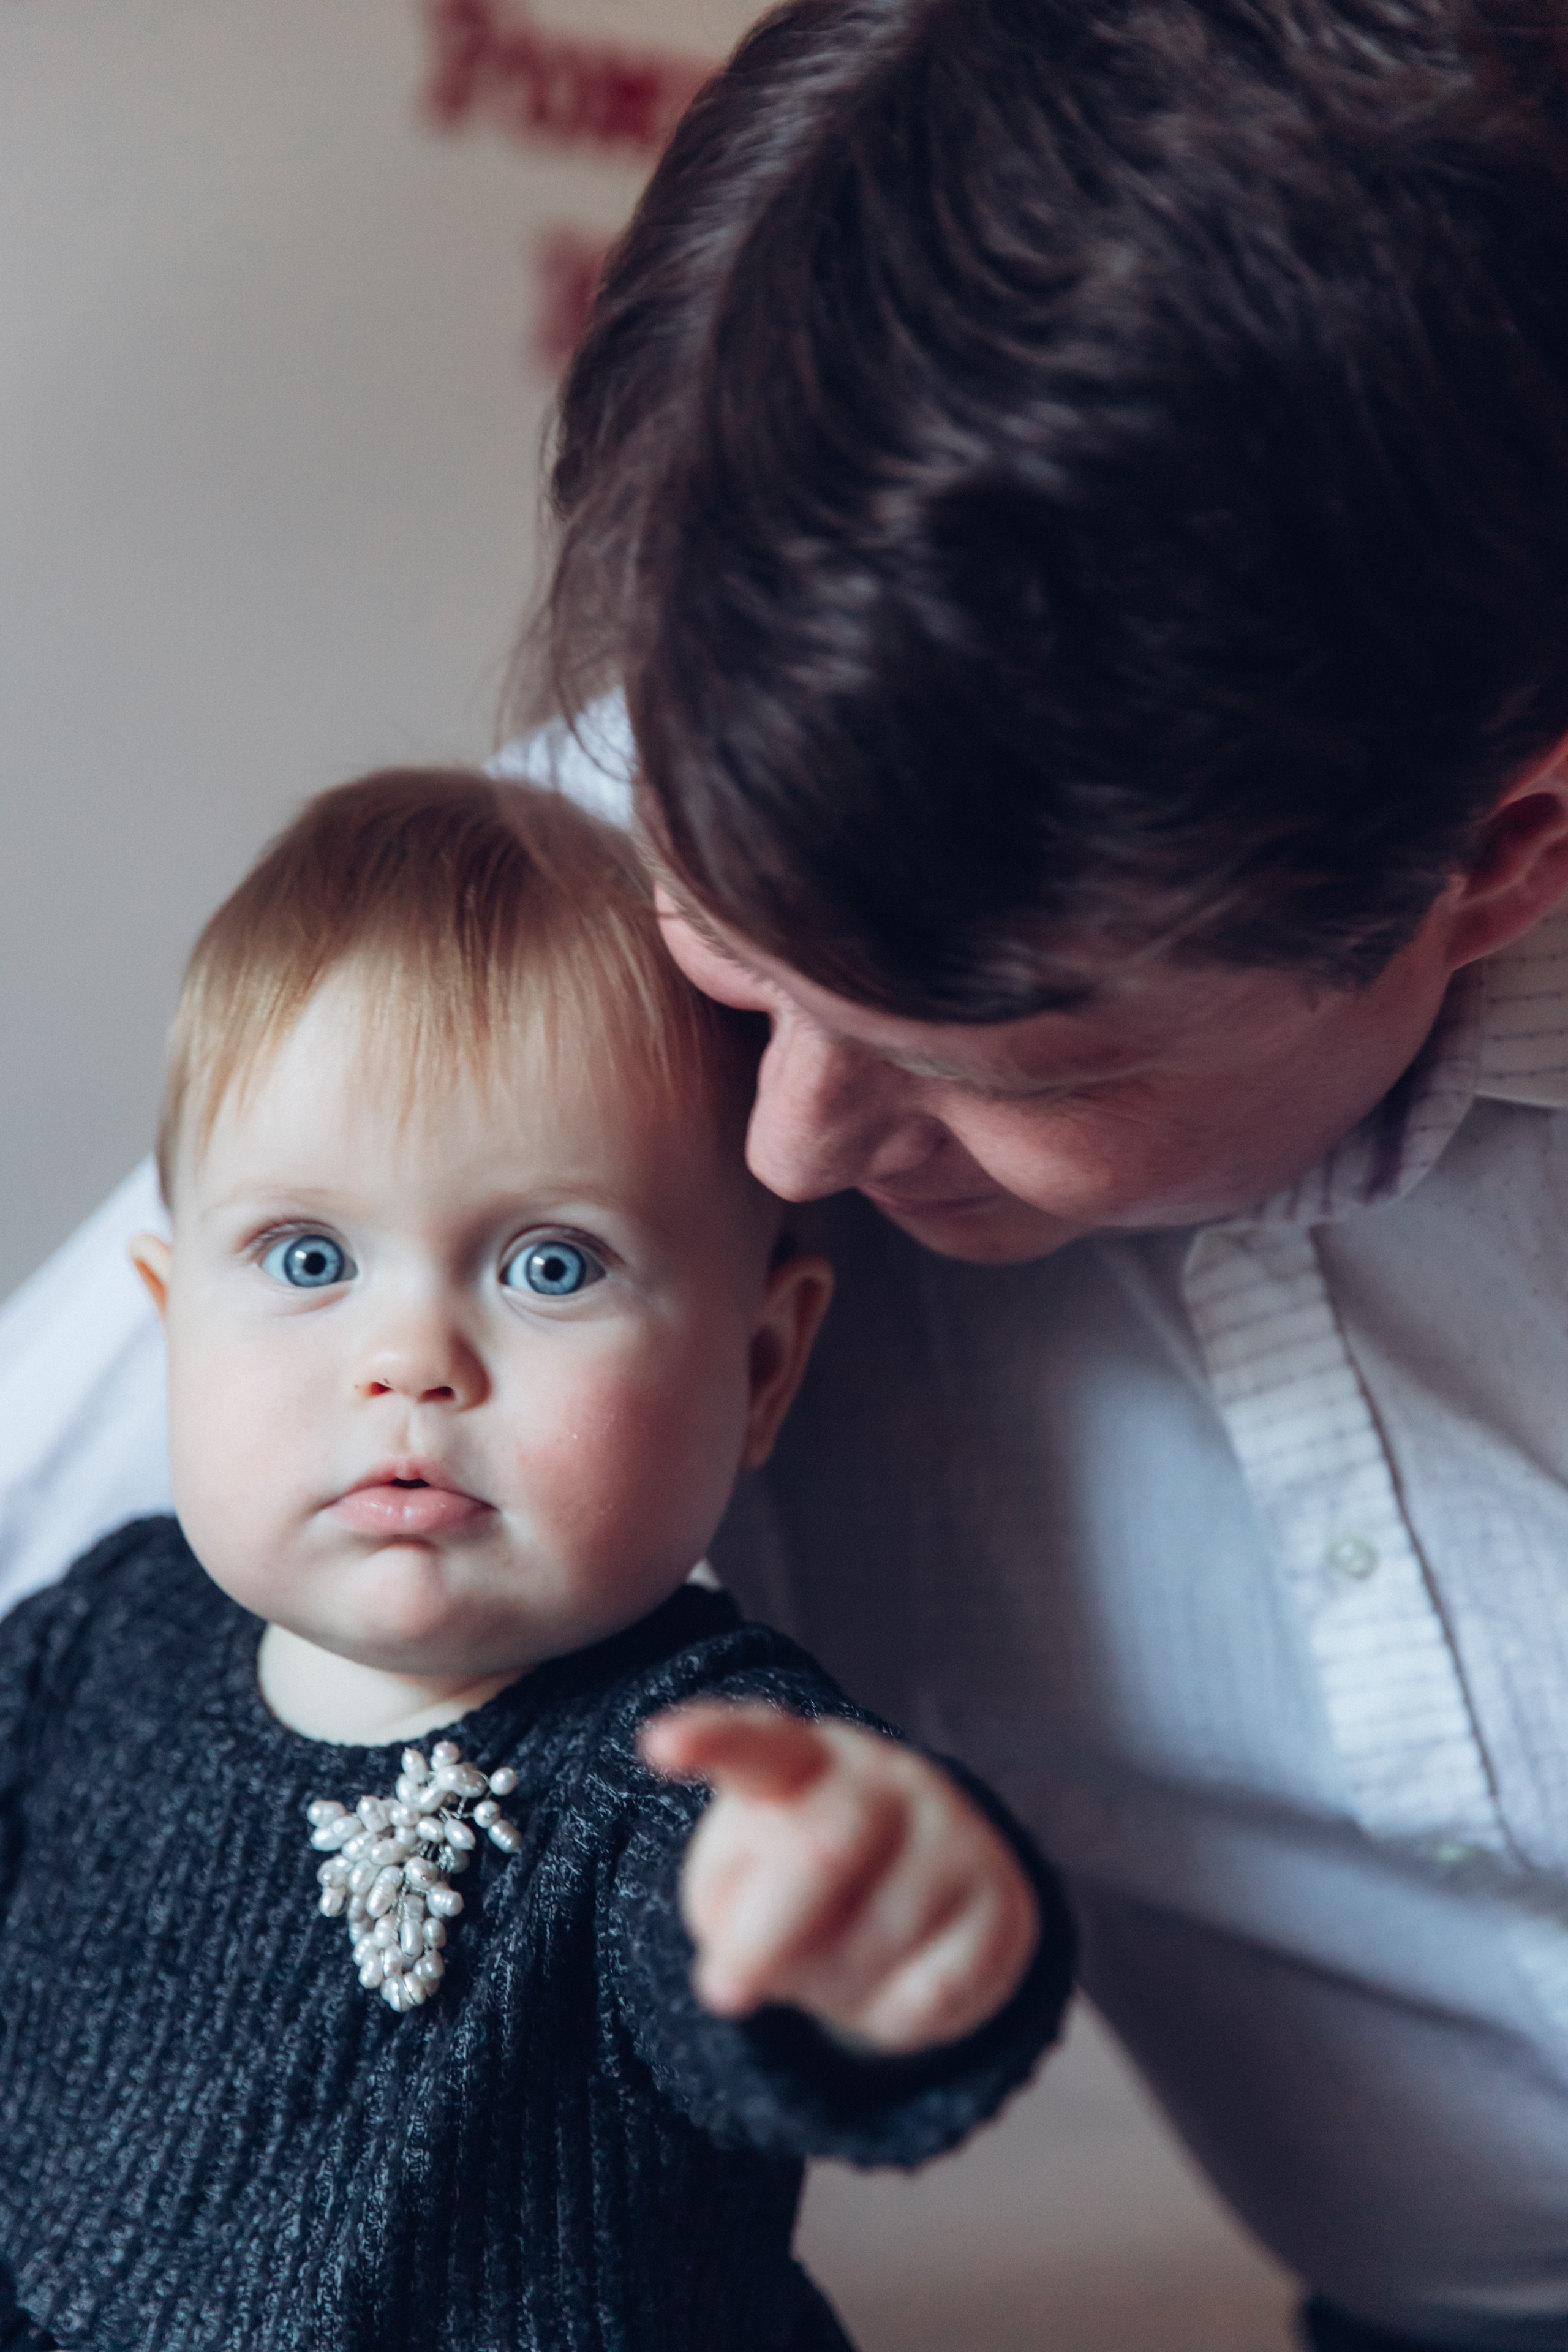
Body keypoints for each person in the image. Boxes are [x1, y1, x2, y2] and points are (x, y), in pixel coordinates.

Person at [7, 0, 1568, 2346]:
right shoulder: (613, 914)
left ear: (1497, 854)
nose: (784, 1138)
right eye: (727, 954)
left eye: (982, 1050)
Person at [0, 769, 1070, 2352]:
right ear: (171, 1324)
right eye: (310, 1259)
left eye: (550, 1263)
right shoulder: (96, 1638)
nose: (411, 1359)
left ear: (758, 1369)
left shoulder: (682, 1763)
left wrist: (857, 1908)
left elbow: (743, 1940)